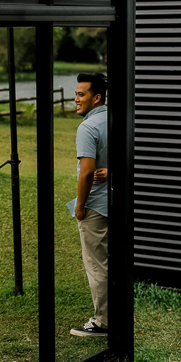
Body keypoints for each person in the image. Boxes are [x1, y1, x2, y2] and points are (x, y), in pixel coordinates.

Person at [67, 72, 109, 337]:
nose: (76, 99)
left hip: (95, 206)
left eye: (81, 94)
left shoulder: (88, 127)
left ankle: (103, 322)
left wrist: (80, 206)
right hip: (115, 202)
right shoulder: (116, 119)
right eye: (75, 94)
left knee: (97, 265)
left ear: (96, 98)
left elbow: (86, 173)